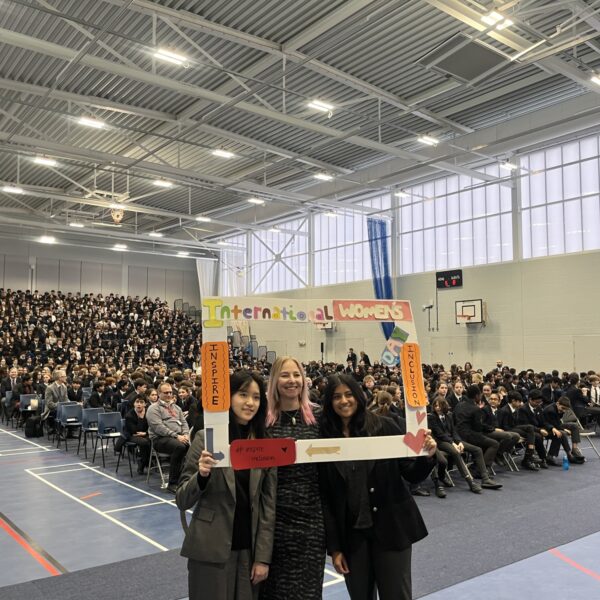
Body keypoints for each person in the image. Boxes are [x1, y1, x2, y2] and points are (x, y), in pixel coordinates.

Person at [319, 374, 437, 600]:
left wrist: (427, 456)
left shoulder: (385, 426)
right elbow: (327, 497)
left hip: (392, 528)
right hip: (352, 537)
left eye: (349, 394)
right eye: (336, 397)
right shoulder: (324, 438)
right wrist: (335, 548)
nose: (344, 401)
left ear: (358, 396)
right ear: (329, 402)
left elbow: (412, 474)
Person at [176, 371, 277, 600]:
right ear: (228, 396)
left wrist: (263, 558)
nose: (250, 403)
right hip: (209, 550)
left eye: (256, 397)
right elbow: (182, 499)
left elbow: (268, 506)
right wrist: (201, 476)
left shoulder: (264, 443)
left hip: (249, 552)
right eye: (243, 394)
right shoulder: (206, 438)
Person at [260, 356, 325, 600]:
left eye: (297, 375)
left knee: (309, 590)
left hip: (312, 520)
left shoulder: (319, 416)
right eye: (285, 375)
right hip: (274, 520)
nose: (292, 380)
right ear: (274, 381)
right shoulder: (262, 420)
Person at [146, 381, 190, 493]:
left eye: (170, 392)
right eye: (166, 393)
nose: (169, 395)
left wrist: (186, 434)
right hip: (159, 439)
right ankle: (173, 483)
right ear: (159, 393)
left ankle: (185, 479)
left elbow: (184, 423)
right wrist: (176, 436)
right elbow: (158, 427)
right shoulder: (153, 409)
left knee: (193, 446)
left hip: (178, 437)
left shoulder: (176, 408)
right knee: (180, 447)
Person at [125, 395, 150, 474]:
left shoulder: (149, 412)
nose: (139, 404)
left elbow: (153, 426)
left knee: (152, 439)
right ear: (134, 404)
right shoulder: (129, 415)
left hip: (146, 434)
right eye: (137, 402)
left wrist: (146, 433)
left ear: (145, 404)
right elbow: (135, 431)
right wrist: (141, 418)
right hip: (132, 435)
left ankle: (146, 460)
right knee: (145, 442)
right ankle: (143, 463)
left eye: (141, 402)